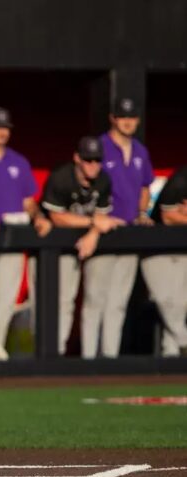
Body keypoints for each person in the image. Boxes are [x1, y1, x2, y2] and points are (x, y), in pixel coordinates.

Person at [0, 107, 51, 360]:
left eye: (6, 127)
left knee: (6, 296)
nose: (2, 132)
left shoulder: (19, 161)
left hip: (14, 238)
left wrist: (38, 217)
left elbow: (28, 201)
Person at [82, 98, 155, 358]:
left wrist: (142, 213)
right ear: (112, 118)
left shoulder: (140, 151)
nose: (128, 121)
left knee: (118, 302)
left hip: (129, 231)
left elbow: (145, 186)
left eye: (132, 117)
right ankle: (88, 360)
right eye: (123, 116)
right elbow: (87, 184)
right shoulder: (100, 146)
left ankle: (109, 360)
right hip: (102, 230)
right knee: (95, 300)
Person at [39, 137, 123, 357]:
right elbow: (57, 217)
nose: (93, 165)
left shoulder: (103, 179)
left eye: (97, 160)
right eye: (88, 160)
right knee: (64, 300)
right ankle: (56, 354)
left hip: (88, 241)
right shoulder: (61, 177)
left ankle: (90, 358)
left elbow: (102, 217)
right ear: (77, 158)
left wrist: (94, 233)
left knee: (95, 298)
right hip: (58, 245)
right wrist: (92, 223)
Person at [142, 165, 187, 357]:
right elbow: (168, 217)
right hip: (155, 246)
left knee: (181, 303)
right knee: (164, 300)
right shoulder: (180, 180)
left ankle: (171, 356)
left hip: (182, 247)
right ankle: (184, 340)